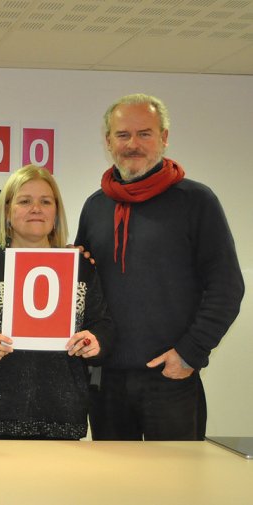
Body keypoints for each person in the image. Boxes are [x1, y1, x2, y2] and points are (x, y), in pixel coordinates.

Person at [75, 94, 244, 441]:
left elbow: (227, 286)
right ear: (108, 142)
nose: (132, 144)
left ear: (164, 138)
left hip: (172, 377)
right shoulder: (95, 206)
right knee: (113, 490)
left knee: (175, 490)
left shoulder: (197, 201)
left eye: (144, 134)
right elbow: (85, 287)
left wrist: (190, 352)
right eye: (122, 135)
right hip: (105, 381)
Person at [0, 165, 114, 439]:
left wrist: (95, 340)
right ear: (7, 212)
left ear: (56, 213)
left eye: (45, 201)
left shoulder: (80, 267)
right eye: (25, 201)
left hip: (62, 414)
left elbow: (103, 324)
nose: (36, 208)